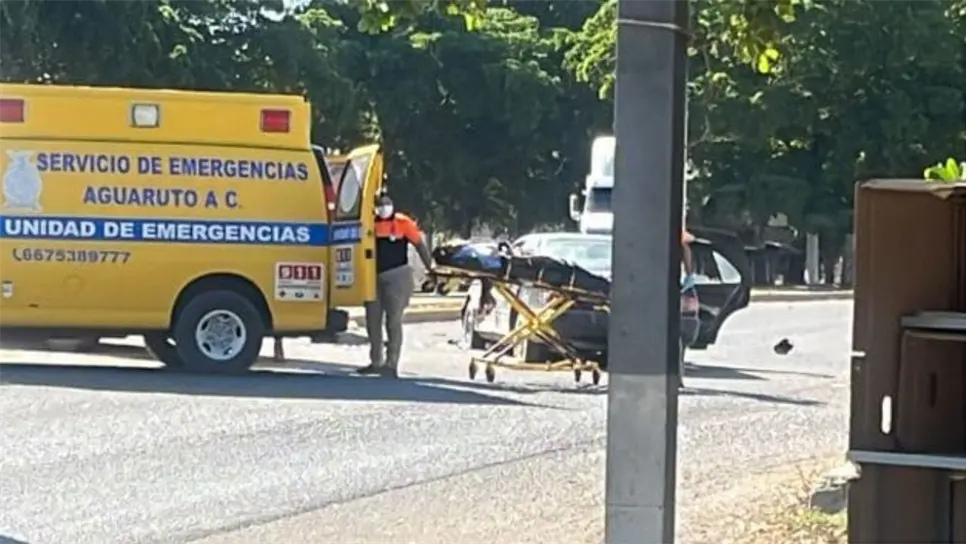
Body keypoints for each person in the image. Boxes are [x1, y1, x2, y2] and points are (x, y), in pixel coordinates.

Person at [356, 193, 435, 377]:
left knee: (393, 320)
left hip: (397, 274)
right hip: (372, 275)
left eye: (387, 204)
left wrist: (431, 268)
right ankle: (376, 361)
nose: (384, 207)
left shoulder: (403, 223)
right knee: (372, 320)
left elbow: (419, 245)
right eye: (380, 204)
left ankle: (391, 364)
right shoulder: (369, 222)